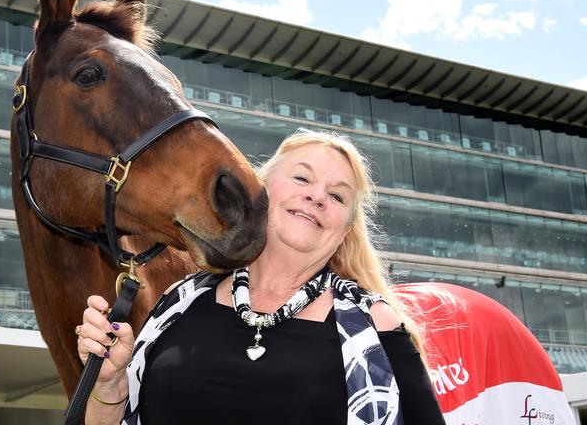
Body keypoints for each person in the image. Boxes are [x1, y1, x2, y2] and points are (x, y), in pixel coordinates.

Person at [76, 129, 445, 425]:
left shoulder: (373, 325)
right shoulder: (179, 304)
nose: (316, 196)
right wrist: (108, 383)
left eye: (337, 197)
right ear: (261, 188)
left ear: (345, 229)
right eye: (302, 177)